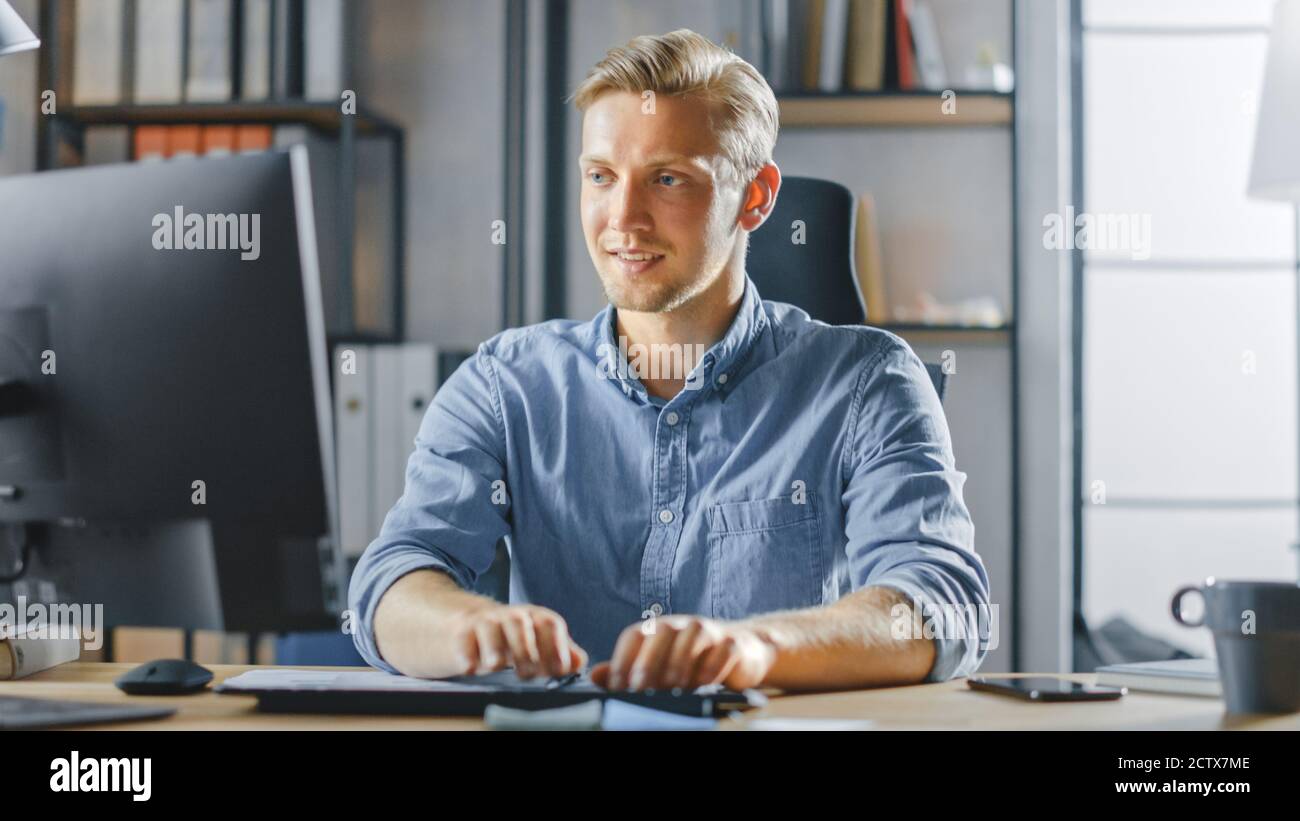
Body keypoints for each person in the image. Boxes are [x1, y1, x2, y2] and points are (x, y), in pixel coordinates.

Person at [348, 29, 990, 692]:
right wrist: (467, 626)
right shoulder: (503, 385)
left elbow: (941, 605)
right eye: (601, 176)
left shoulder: (867, 382)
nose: (623, 218)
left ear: (756, 195)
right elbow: (392, 579)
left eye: (667, 179)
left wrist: (755, 648)